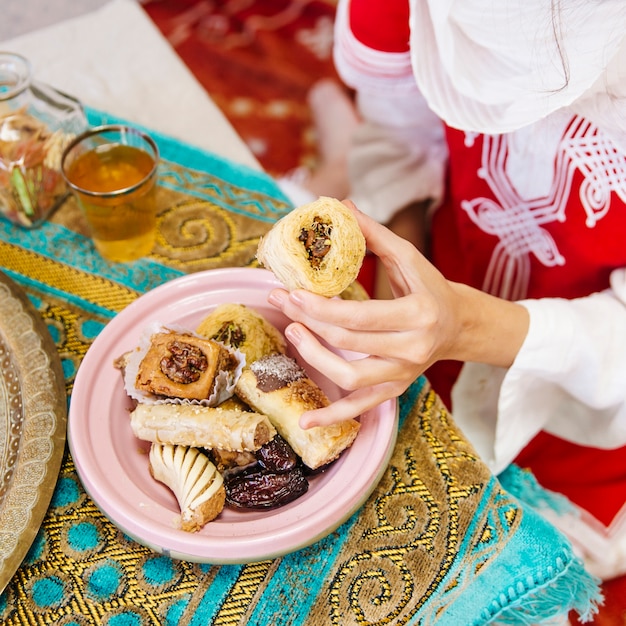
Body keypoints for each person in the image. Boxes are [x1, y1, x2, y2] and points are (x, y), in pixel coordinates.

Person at [270, 0, 626, 620]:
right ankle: (335, 148)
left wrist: (462, 326)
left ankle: (329, 151)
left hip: (586, 386)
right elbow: (400, 132)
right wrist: (401, 289)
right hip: (438, 271)